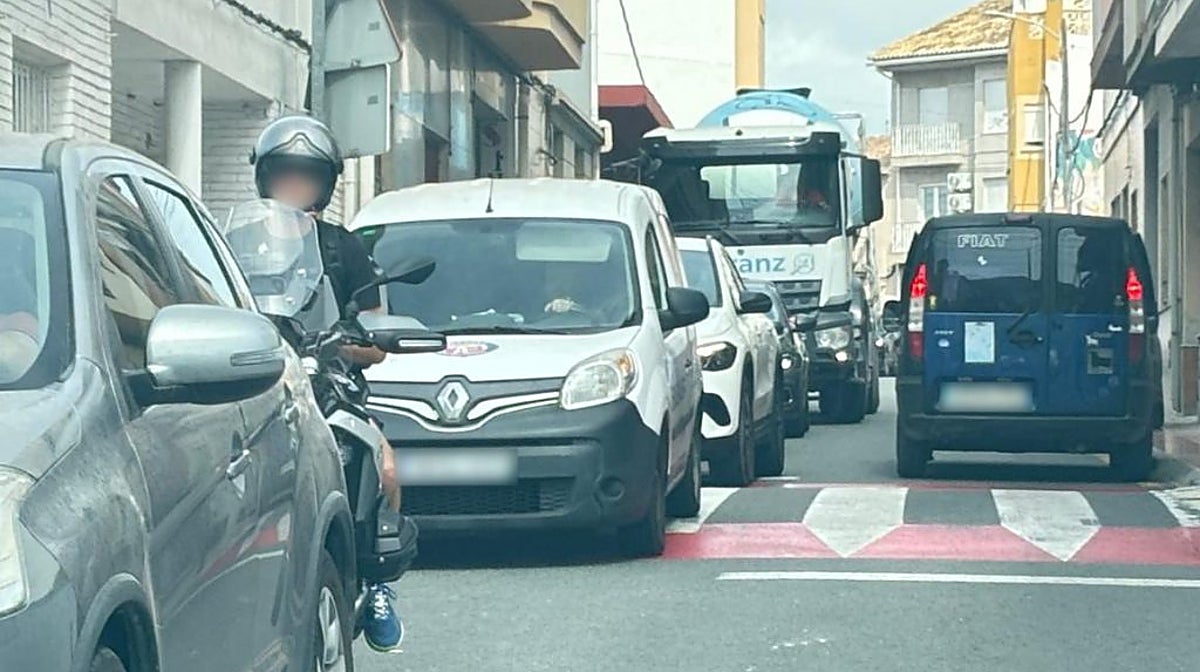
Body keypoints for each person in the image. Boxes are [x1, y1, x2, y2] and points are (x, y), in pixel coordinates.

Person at [250, 114, 404, 652]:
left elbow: (379, 338)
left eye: (306, 175)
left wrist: (343, 343)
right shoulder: (238, 242)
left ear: (325, 182)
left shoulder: (344, 248)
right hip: (259, 377)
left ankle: (379, 578)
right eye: (286, 173)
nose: (295, 184)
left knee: (382, 463)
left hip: (329, 382)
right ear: (265, 177)